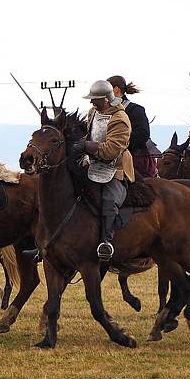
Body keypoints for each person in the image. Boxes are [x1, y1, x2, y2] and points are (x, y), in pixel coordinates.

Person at [77, 80, 134, 261]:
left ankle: (106, 243)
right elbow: (90, 135)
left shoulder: (120, 119)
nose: (92, 103)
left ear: (107, 100)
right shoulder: (93, 112)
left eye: (95, 99)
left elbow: (110, 151)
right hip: (92, 164)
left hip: (115, 168)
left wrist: (85, 146)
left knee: (109, 201)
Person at [107, 76, 157, 178]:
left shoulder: (135, 109)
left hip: (133, 160)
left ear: (116, 90)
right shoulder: (103, 110)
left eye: (106, 89)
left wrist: (118, 142)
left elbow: (143, 134)